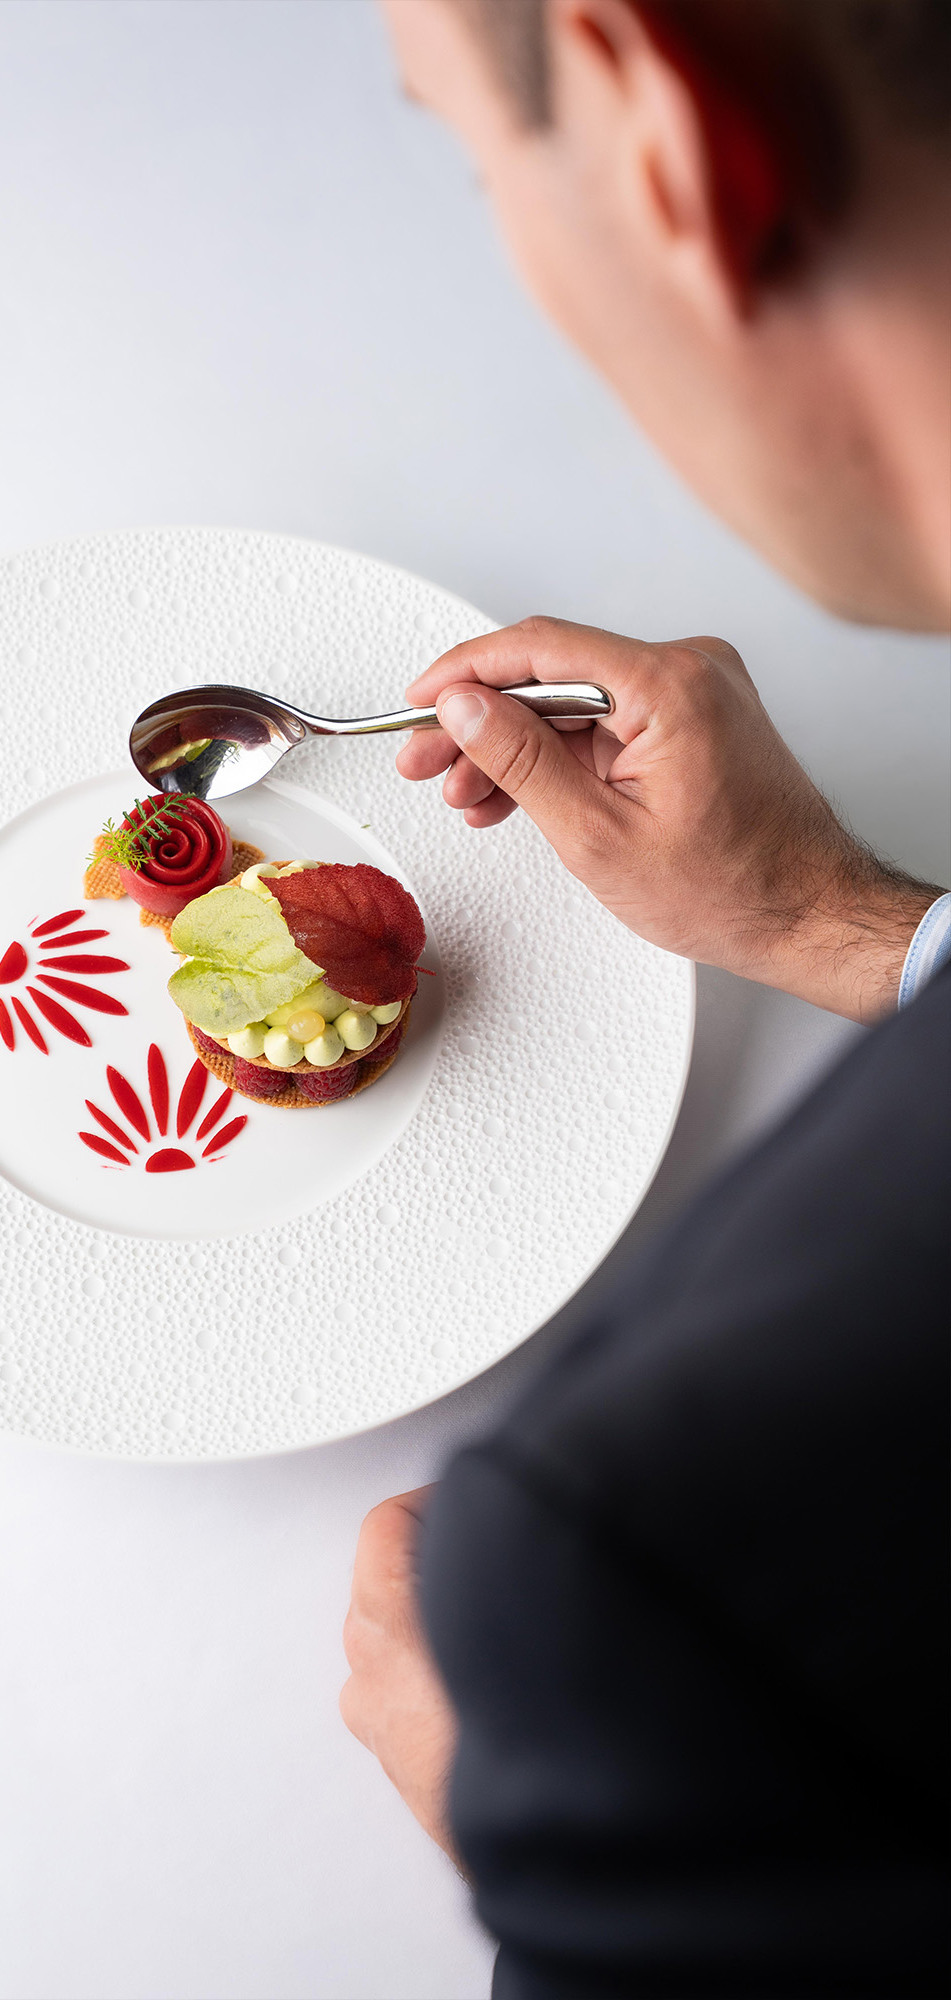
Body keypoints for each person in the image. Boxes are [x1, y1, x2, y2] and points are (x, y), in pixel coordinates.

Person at [339, 2, 950, 1992]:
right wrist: (837, 920)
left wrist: (547, 1833)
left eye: (472, 156)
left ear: (668, 137)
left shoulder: (649, 1581)